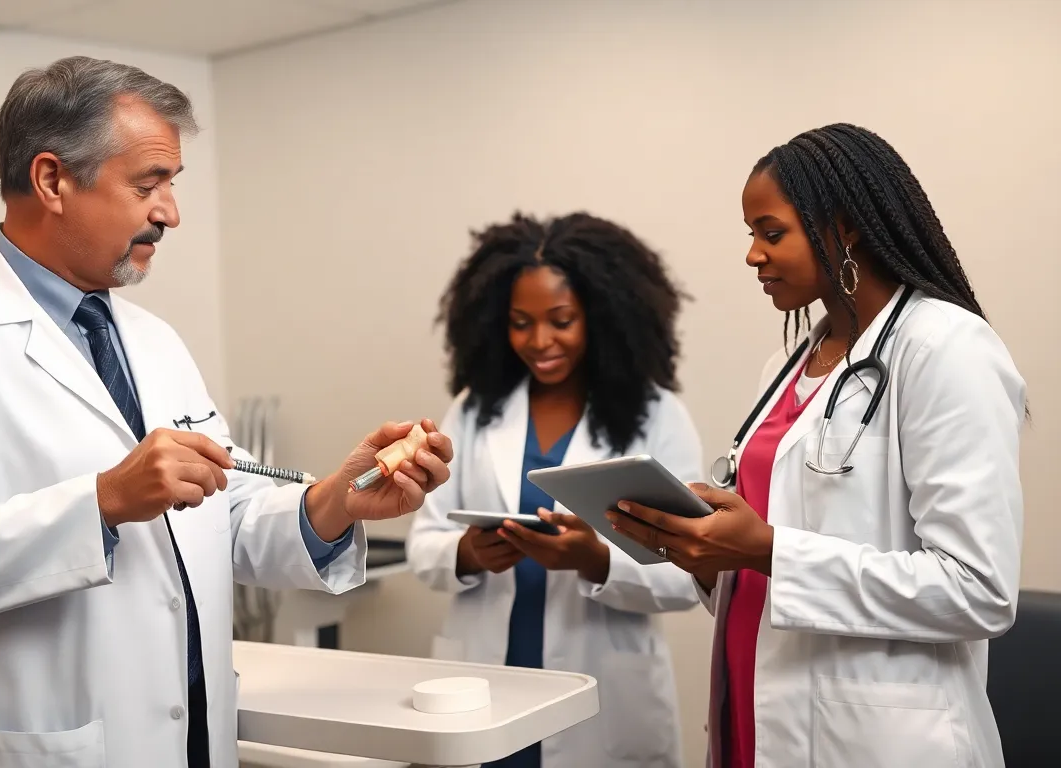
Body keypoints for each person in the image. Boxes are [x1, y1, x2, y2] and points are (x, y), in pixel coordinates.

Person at [0, 56, 454, 768]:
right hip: (38, 744)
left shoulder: (152, 341)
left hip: (188, 735)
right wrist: (106, 500)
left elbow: (223, 516)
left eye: (171, 185)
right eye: (150, 184)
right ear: (52, 180)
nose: (170, 213)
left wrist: (339, 498)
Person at [609, 123, 1027, 768]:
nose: (753, 255)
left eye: (771, 233)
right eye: (750, 235)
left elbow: (978, 589)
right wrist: (703, 554)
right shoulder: (788, 364)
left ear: (846, 228)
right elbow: (766, 561)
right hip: (754, 705)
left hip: (874, 736)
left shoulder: (946, 348)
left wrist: (770, 550)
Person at [407, 212, 703, 768]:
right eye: (521, 322)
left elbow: (692, 571)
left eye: (561, 320)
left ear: (602, 316)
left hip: (602, 692)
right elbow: (425, 540)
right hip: (488, 679)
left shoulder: (656, 415)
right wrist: (467, 554)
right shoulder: (475, 410)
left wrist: (596, 560)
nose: (539, 341)